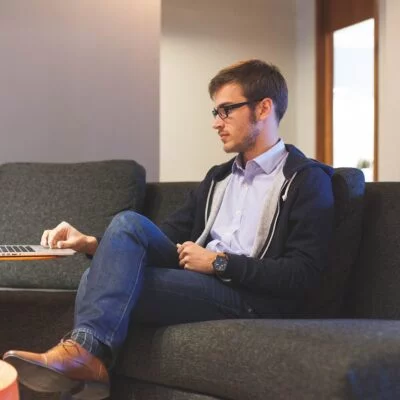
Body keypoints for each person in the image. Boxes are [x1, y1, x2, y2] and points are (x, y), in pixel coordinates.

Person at [3, 59, 334, 399]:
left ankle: (86, 360)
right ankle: (87, 361)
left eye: (226, 111)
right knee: (128, 224)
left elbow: (302, 274)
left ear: (264, 108)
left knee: (98, 281)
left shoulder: (305, 179)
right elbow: (159, 235)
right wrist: (89, 243)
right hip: (202, 280)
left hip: (252, 297)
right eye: (214, 112)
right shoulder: (219, 178)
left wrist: (218, 262)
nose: (216, 123)